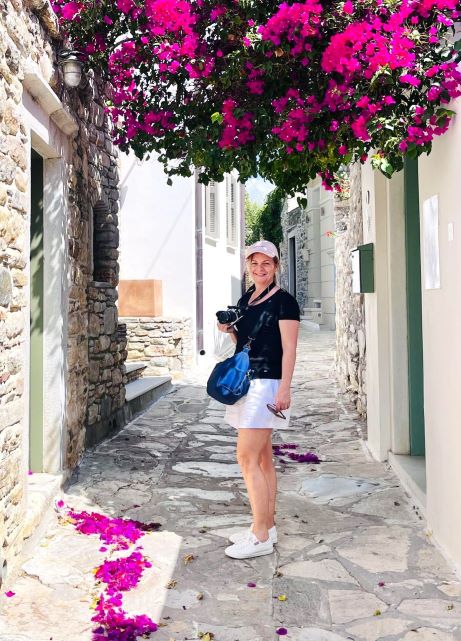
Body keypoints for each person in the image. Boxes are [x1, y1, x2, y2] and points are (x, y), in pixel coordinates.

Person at [217, 239, 300, 559]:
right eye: (254, 263)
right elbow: (246, 343)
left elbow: (289, 348)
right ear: (248, 266)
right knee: (263, 458)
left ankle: (260, 534)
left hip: (267, 383)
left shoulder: (285, 302)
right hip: (246, 383)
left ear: (276, 266)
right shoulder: (248, 298)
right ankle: (268, 525)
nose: (260, 268)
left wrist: (285, 388)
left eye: (266, 263)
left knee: (246, 457)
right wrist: (229, 330)